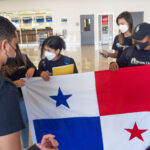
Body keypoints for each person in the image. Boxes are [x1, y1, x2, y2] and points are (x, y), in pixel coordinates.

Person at [1, 44, 37, 149]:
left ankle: (25, 145)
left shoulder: (23, 57)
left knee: (24, 122)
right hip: (8, 98)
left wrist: (32, 69)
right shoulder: (3, 62)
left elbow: (33, 67)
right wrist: (13, 83)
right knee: (11, 125)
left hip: (22, 96)